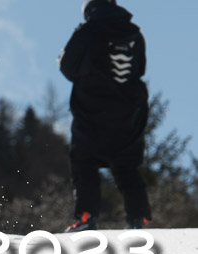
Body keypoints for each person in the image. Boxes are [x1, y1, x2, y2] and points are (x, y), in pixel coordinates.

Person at [59, 0, 151, 232]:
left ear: (90, 9)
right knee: (127, 165)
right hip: (128, 114)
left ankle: (86, 217)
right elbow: (139, 69)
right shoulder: (134, 34)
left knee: (84, 161)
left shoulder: (87, 32)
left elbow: (68, 67)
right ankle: (139, 219)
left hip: (93, 111)